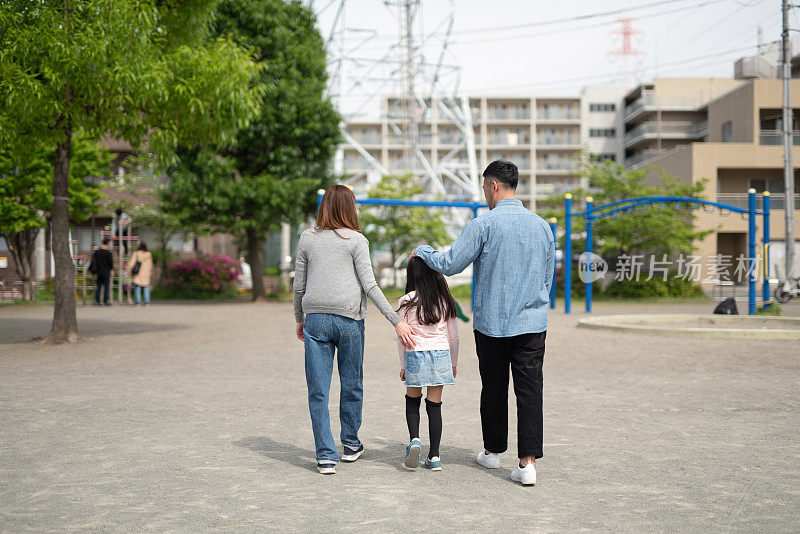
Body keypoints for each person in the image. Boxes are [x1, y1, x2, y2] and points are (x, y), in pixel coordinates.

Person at [412, 160, 555, 486]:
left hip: (492, 323)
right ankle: (527, 463)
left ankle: (492, 452)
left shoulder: (483, 224)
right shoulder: (542, 226)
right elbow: (547, 278)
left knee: (493, 387)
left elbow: (450, 263)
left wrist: (423, 251)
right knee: (530, 390)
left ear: (493, 186)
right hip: (533, 322)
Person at [293, 184, 415, 475]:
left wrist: (300, 317)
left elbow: (299, 284)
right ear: (350, 208)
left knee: (318, 390)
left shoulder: (307, 238)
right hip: (349, 321)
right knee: (352, 383)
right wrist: (396, 320)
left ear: (324, 207)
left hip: (316, 320)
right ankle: (350, 445)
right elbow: (369, 285)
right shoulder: (357, 240)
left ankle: (325, 456)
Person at [397, 257, 459, 472]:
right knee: (435, 405)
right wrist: (453, 362)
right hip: (441, 354)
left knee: (412, 400)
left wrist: (403, 364)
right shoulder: (445, 300)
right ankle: (434, 456)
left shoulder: (406, 301)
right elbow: (454, 338)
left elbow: (401, 338)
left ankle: (414, 439)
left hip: (415, 354)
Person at [127, 242, 153, 307]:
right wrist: (149, 273)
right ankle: (147, 303)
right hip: (146, 274)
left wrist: (129, 271)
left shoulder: (136, 253)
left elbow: (131, 263)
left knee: (137, 287)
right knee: (146, 287)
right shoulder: (148, 254)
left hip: (138, 273)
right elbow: (151, 265)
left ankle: (138, 302)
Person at [91, 238, 115, 307]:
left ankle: (98, 301)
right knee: (106, 287)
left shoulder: (97, 252)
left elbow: (94, 261)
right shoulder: (108, 253)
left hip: (99, 272)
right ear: (107, 244)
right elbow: (111, 263)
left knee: (98, 287)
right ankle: (105, 301)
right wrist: (112, 270)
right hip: (106, 272)